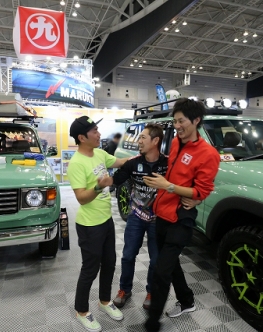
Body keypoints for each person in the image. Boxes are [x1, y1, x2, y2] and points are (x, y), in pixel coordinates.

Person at [142, 98, 220, 332]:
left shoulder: (209, 154)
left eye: (181, 121)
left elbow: (202, 190)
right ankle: (186, 301)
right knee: (171, 264)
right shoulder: (175, 142)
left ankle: (152, 322)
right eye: (175, 121)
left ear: (196, 121)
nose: (177, 125)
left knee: (161, 270)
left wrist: (170, 187)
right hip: (162, 213)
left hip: (181, 218)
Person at [67, 116, 128, 332]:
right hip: (89, 225)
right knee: (90, 269)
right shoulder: (76, 164)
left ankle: (104, 301)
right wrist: (98, 187)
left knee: (110, 262)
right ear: (82, 137)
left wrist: (144, 156)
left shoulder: (100, 154)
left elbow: (119, 162)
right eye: (94, 131)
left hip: (106, 220)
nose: (99, 134)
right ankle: (81, 311)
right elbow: (82, 198)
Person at [112, 124, 166, 310]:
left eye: (143, 137)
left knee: (156, 259)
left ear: (155, 141)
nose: (139, 141)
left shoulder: (167, 164)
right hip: (135, 216)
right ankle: (124, 290)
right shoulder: (133, 163)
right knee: (128, 255)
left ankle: (151, 291)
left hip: (158, 219)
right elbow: (114, 181)